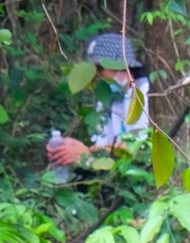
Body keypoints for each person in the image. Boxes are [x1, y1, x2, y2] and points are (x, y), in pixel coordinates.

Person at [48, 32, 152, 172]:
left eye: (100, 68)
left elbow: (137, 148)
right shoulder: (107, 98)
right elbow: (104, 145)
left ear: (123, 66)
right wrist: (73, 149)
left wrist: (85, 152)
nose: (96, 74)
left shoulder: (145, 94)